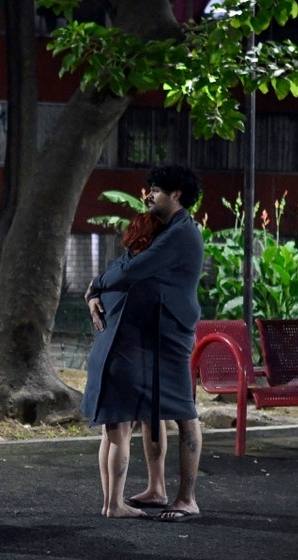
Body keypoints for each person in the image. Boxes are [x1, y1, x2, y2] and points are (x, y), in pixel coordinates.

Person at [83, 165, 205, 523]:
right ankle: (157, 488)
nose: (148, 195)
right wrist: (97, 289)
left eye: (155, 190)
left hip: (170, 334)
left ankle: (187, 498)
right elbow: (126, 260)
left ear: (176, 195)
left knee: (183, 412)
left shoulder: (182, 233)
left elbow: (137, 267)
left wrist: (97, 285)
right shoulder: (159, 228)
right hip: (149, 333)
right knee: (153, 414)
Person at [82, 212, 168, 518]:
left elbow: (94, 292)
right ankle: (117, 504)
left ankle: (109, 503)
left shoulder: (116, 267)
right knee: (121, 435)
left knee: (111, 433)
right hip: (127, 358)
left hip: (102, 355)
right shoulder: (146, 275)